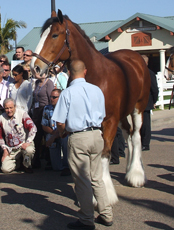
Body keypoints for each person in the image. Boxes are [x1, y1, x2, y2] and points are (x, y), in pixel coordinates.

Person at [52, 60, 113, 229]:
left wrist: (63, 132)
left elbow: (60, 121)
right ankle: (106, 214)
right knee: (96, 177)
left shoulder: (67, 93)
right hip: (96, 134)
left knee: (82, 180)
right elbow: (103, 115)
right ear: (85, 71)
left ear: (70, 73)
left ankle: (87, 219)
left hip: (79, 136)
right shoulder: (97, 90)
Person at [0, 98, 37, 174]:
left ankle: (27, 165)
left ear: (15, 107)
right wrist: (4, 148)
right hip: (11, 148)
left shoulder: (22, 114)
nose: (9, 110)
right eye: (7, 108)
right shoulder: (1, 118)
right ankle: (18, 163)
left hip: (23, 144)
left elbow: (33, 128)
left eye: (11, 108)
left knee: (29, 150)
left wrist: (28, 142)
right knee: (5, 169)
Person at [41, 89, 70, 176]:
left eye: (54, 97)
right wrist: (53, 135)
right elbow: (44, 125)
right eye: (51, 97)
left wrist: (54, 137)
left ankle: (67, 166)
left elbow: (65, 126)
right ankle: (58, 164)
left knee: (66, 139)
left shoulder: (66, 109)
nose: (51, 99)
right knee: (56, 168)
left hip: (64, 134)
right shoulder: (47, 108)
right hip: (53, 133)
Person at [31, 72, 54, 168]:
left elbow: (50, 99)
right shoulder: (36, 83)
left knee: (47, 134)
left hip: (45, 110)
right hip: (37, 110)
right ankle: (36, 159)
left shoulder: (49, 83)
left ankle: (50, 159)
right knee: (37, 136)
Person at [141, 55, 159, 151]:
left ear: (146, 63)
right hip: (138, 102)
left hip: (147, 101)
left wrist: (154, 101)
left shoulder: (149, 73)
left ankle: (145, 143)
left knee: (146, 124)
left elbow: (154, 89)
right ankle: (140, 141)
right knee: (140, 124)